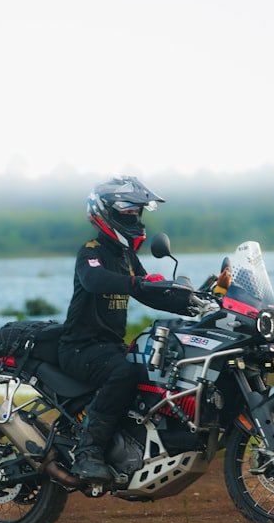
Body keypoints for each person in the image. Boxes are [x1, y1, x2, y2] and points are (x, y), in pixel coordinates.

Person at [58, 177, 195, 483]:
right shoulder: (91, 252)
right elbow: (95, 280)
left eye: (138, 212)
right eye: (128, 211)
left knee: (149, 370)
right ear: (106, 212)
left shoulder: (127, 257)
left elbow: (151, 294)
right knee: (124, 373)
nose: (134, 217)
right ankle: (88, 453)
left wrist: (199, 302)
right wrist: (136, 282)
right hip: (80, 347)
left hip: (108, 346)